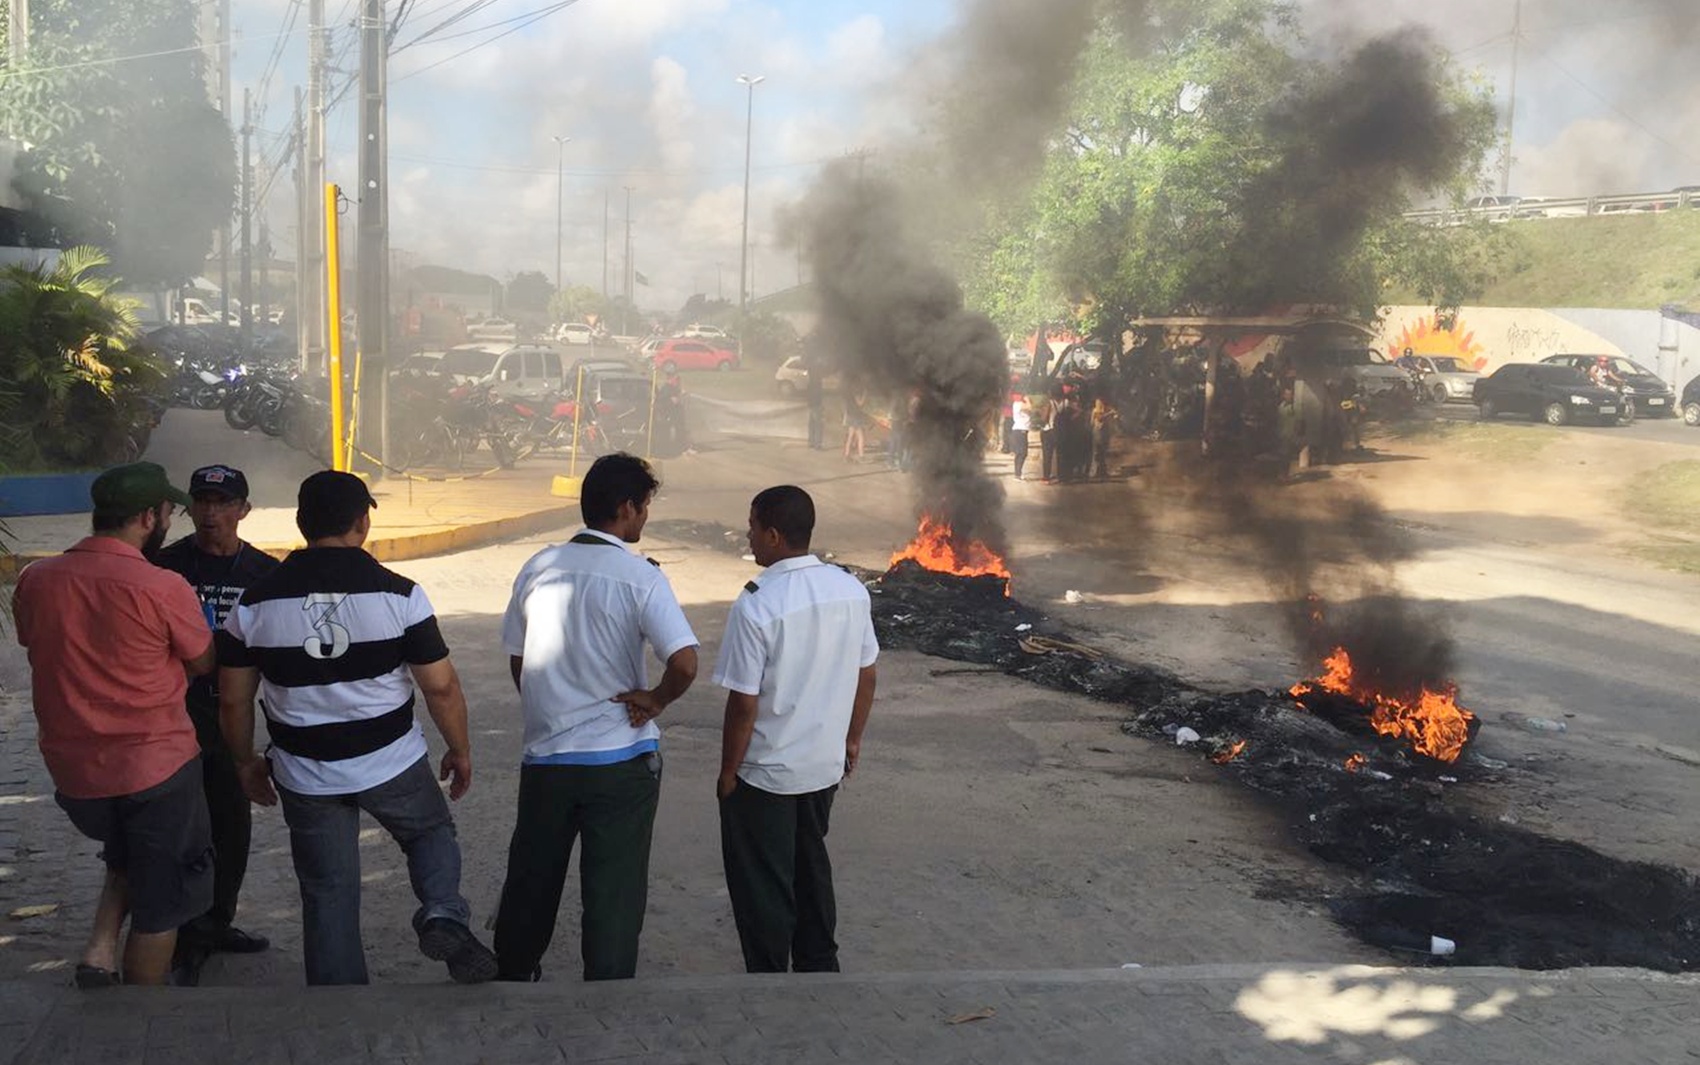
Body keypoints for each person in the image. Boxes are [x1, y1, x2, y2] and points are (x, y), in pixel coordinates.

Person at [217, 471, 497, 986]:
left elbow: (234, 698)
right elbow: (440, 688)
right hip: (390, 760)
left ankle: (339, 1004)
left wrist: (243, 762)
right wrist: (459, 748)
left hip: (303, 773)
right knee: (429, 831)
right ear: (363, 523)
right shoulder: (400, 594)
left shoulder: (253, 604)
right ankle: (441, 911)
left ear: (302, 523)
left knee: (327, 890)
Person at [493, 453, 699, 982]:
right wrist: (655, 699)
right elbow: (685, 662)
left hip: (547, 759)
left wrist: (549, 706)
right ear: (626, 508)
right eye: (645, 507)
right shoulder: (640, 577)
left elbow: (520, 659)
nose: (645, 518)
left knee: (532, 877)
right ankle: (606, 990)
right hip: (620, 762)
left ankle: (514, 974)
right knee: (615, 887)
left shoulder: (538, 565)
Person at [12, 462, 215, 986]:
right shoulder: (162, 586)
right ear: (149, 516)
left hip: (76, 777)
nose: (171, 521)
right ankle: (136, 1018)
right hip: (155, 769)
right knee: (162, 904)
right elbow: (202, 662)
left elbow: (34, 643)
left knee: (128, 850)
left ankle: (99, 953)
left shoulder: (36, 579)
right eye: (170, 512)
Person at [713, 486, 878, 973]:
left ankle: (767, 975)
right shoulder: (850, 589)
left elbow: (743, 703)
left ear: (774, 534)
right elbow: (866, 673)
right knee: (810, 867)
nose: (749, 537)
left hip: (766, 772)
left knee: (763, 882)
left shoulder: (757, 603)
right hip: (823, 767)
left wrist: (727, 772)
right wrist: (852, 739)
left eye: (752, 527)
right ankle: (819, 965)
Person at [154, 465, 278, 976]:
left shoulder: (266, 574)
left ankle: (218, 922)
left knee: (230, 823)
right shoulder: (165, 567)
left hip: (232, 714)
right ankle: (180, 931)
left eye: (223, 502)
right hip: (170, 714)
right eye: (201, 501)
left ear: (244, 510)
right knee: (180, 826)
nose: (210, 512)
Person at [1090, 397, 1120, 479]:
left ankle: (1102, 471)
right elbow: (1099, 418)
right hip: (1098, 432)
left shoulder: (1106, 410)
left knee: (1103, 452)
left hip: (1105, 432)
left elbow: (1115, 416)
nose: (1101, 404)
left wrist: (1114, 414)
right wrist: (1110, 413)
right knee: (1097, 452)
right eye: (1099, 403)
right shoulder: (1095, 410)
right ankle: (1095, 471)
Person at [1009, 387, 1032, 480]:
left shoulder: (1019, 404)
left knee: (1021, 453)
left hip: (1021, 430)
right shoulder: (1018, 404)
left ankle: (1018, 473)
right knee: (1022, 453)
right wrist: (1027, 400)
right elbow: (1030, 407)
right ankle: (1017, 474)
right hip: (1020, 430)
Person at [805, 357, 825, 450]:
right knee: (818, 424)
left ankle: (811, 442)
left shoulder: (810, 381)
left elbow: (808, 393)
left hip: (811, 404)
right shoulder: (817, 382)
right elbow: (819, 394)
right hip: (816, 404)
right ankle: (817, 444)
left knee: (811, 423)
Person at [841, 389, 868, 463]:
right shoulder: (856, 394)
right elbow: (860, 403)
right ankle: (861, 455)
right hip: (856, 417)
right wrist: (864, 396)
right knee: (861, 437)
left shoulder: (847, 397)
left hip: (850, 417)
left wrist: (845, 419)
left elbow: (846, 409)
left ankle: (846, 455)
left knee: (850, 437)